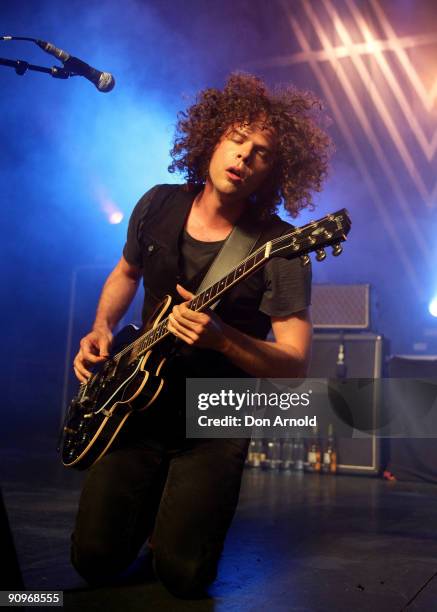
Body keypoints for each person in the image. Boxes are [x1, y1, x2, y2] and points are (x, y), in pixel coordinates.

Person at [70, 73, 331, 598]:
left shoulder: (280, 246)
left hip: (216, 409)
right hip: (136, 398)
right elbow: (126, 273)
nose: (244, 156)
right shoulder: (158, 204)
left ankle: (177, 521)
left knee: (184, 578)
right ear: (211, 137)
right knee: (93, 563)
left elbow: (295, 364)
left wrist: (223, 340)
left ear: (274, 171)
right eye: (237, 139)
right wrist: (100, 328)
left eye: (261, 153)